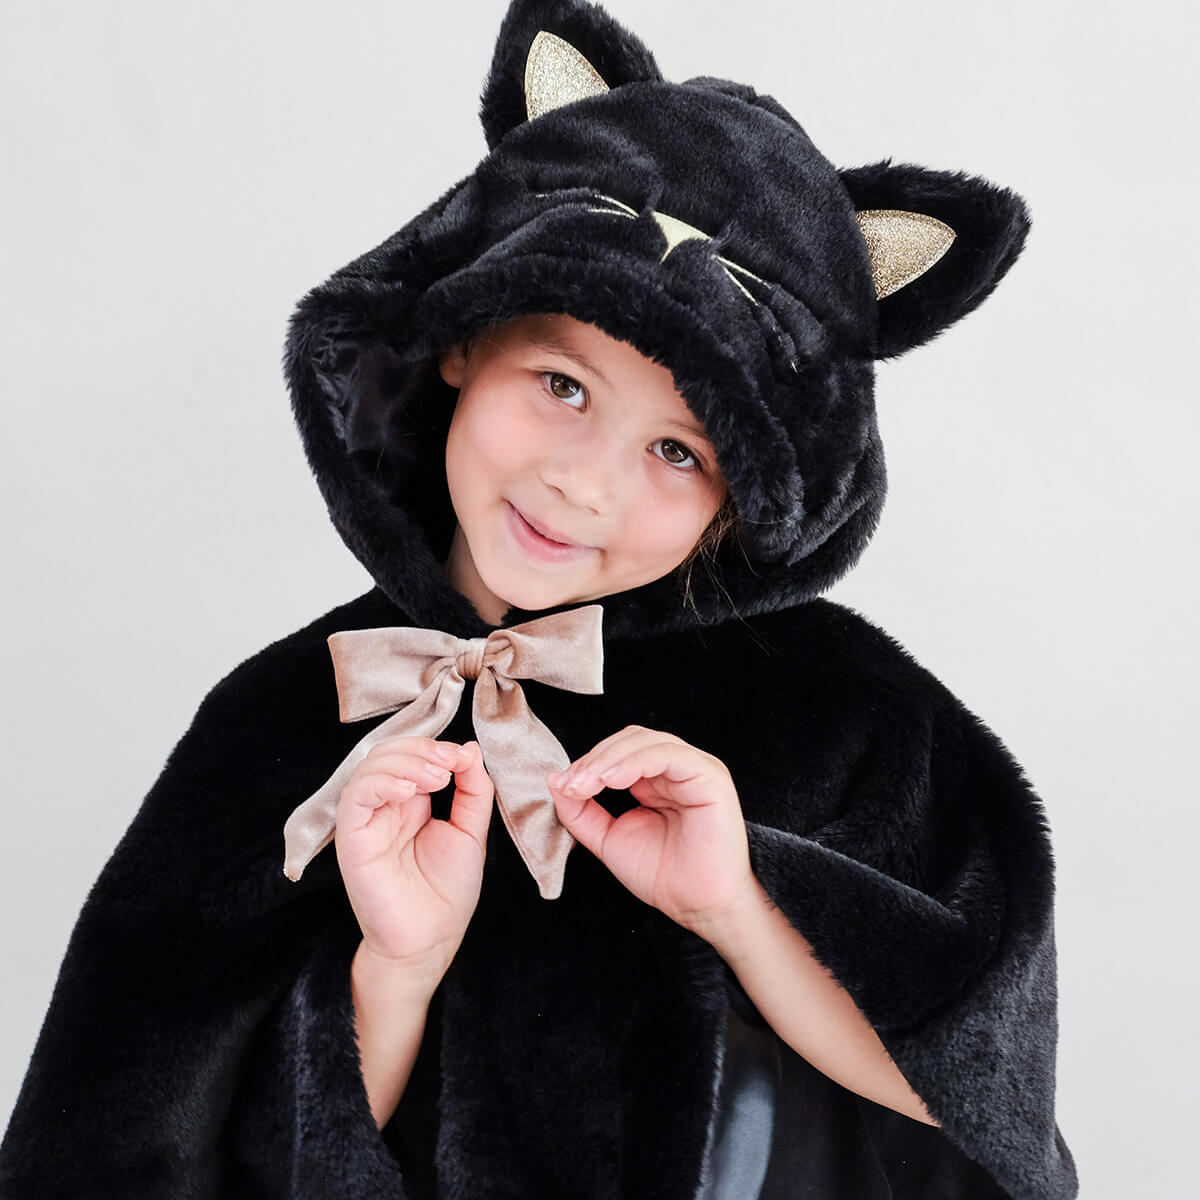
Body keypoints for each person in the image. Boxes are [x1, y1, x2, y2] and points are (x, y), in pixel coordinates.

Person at [0, 2, 1078, 1198]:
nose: (584, 483)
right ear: (463, 340)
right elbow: (120, 1143)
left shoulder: (854, 725)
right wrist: (395, 974)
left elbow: (985, 1129)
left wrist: (737, 908)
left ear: (745, 501)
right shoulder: (279, 721)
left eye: (679, 452)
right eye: (563, 384)